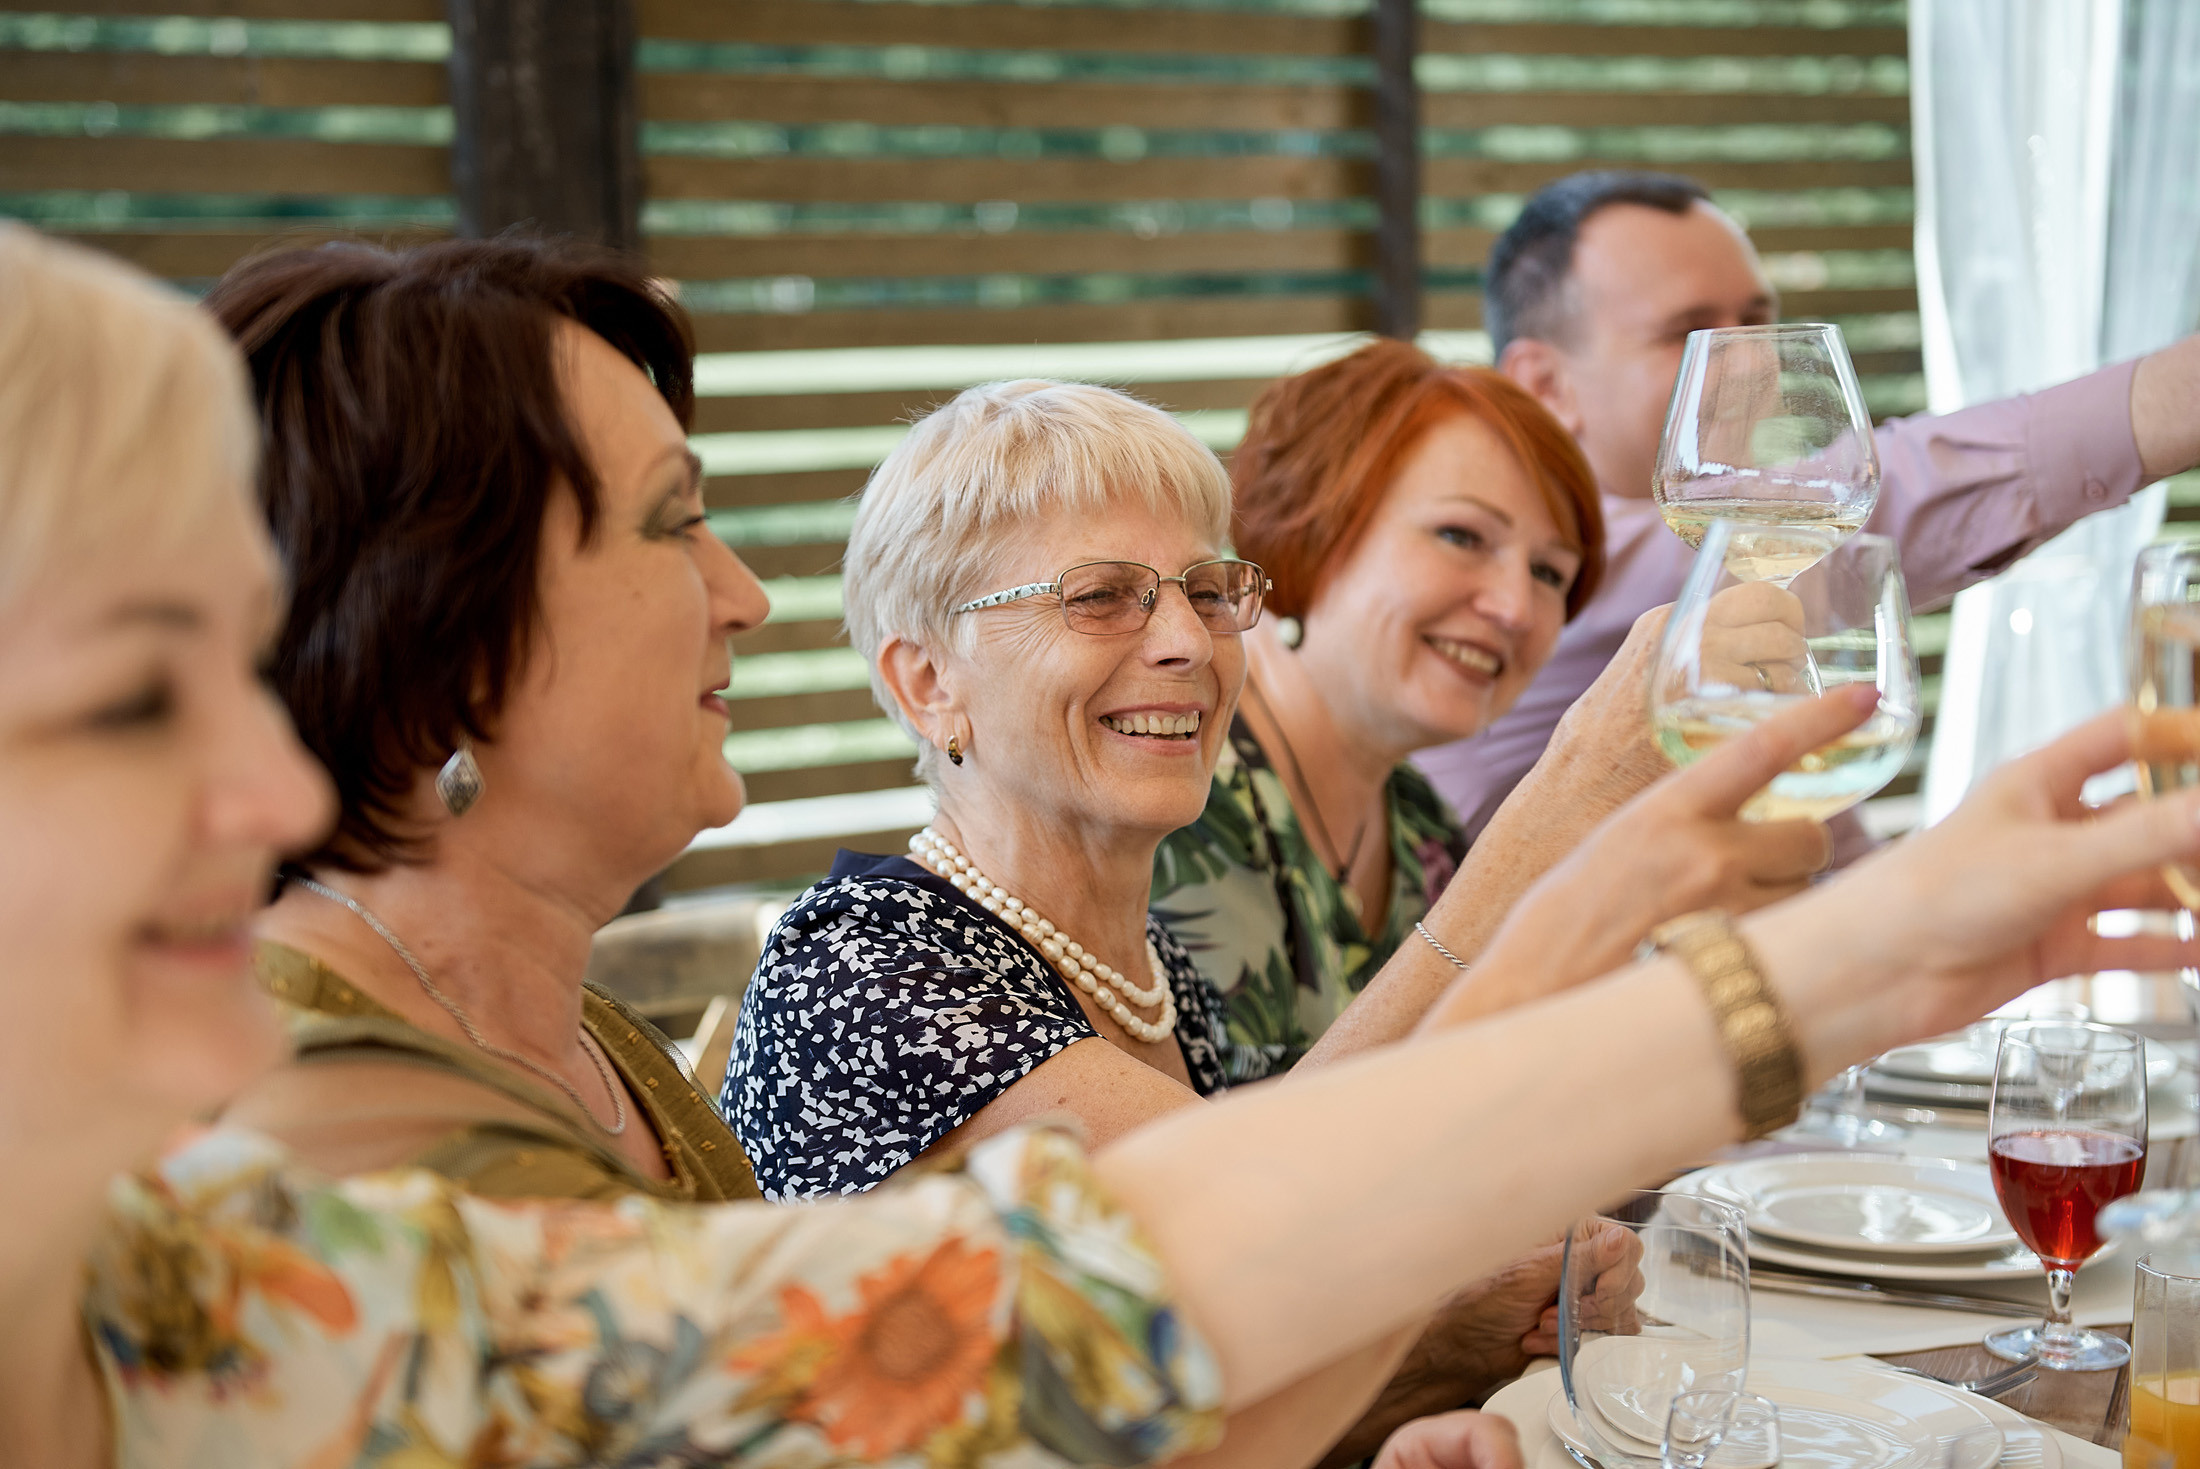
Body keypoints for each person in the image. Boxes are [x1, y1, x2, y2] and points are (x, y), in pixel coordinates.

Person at [4, 222, 2196, 1469]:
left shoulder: (263, 1243)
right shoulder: (327, 1157)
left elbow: (1080, 1329)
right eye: (134, 690)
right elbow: (1119, 1318)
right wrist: (1698, 926)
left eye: (1199, 590)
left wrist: (1730, 941)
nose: (267, 783)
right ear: (427, 641)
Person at [204, 240, 767, 1202]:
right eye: (673, 523)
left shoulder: (578, 1034)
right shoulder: (330, 1132)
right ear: (438, 633)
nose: (745, 597)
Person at [1417, 169, 2200, 837]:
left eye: (1758, 320)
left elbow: (1832, 870)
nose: (1755, 363)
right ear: (1545, 385)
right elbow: (1894, 489)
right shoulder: (1545, 576)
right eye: (1689, 333)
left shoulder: (1742, 596)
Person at [1152, 340, 1827, 1081]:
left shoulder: (1421, 829)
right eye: (1461, 536)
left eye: (1549, 574)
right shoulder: (1178, 787)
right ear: (1312, 519)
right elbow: (1222, 1177)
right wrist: (1576, 782)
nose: (1513, 607)